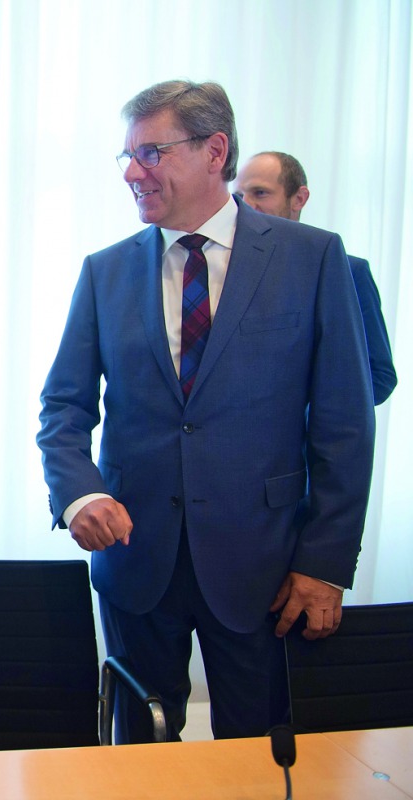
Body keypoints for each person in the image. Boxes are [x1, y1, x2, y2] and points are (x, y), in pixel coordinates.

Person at [37, 81, 375, 742]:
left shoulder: (312, 260)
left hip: (269, 569)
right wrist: (79, 497)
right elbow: (63, 409)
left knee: (256, 757)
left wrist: (326, 563)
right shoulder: (105, 271)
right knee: (139, 758)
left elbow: (344, 423)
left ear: (214, 150)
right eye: (127, 157)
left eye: (151, 152)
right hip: (136, 562)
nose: (134, 171)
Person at [234, 151, 397, 404]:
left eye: (260, 193)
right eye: (239, 196)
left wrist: (303, 412)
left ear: (299, 198)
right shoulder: (225, 270)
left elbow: (379, 376)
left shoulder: (350, 272)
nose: (246, 204)